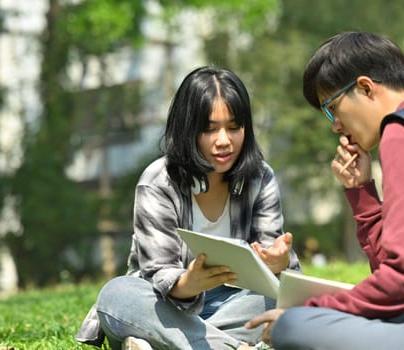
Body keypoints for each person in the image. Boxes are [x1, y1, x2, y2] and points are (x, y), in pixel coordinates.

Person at [245, 31, 404, 349]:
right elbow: (400, 268)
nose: (335, 125)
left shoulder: (403, 133)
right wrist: (362, 191)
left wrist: (313, 309)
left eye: (332, 108)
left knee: (292, 326)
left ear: (365, 87)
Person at [76, 65, 301, 350]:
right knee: (116, 295)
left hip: (233, 303)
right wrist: (189, 283)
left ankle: (163, 343)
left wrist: (278, 264)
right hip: (164, 303)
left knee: (279, 300)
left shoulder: (260, 176)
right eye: (209, 130)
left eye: (234, 128)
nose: (224, 141)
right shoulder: (157, 182)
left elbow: (273, 271)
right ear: (187, 129)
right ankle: (227, 346)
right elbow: (157, 273)